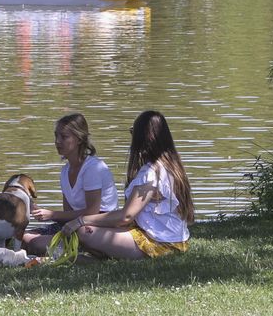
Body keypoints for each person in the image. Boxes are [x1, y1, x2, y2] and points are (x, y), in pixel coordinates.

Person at [63, 110, 194, 259]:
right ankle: (101, 257)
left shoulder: (151, 173)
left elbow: (126, 216)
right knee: (92, 231)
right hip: (171, 238)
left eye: (133, 132)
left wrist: (81, 220)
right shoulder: (170, 165)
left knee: (84, 232)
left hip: (160, 243)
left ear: (143, 137)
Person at [22, 113, 119, 255]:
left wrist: (52, 214)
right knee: (23, 237)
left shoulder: (93, 168)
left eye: (64, 137)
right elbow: (68, 213)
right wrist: (38, 211)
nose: (57, 141)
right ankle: (67, 250)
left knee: (35, 243)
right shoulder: (65, 171)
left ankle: (78, 253)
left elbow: (93, 211)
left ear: (79, 139)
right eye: (56, 136)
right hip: (74, 225)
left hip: (96, 227)